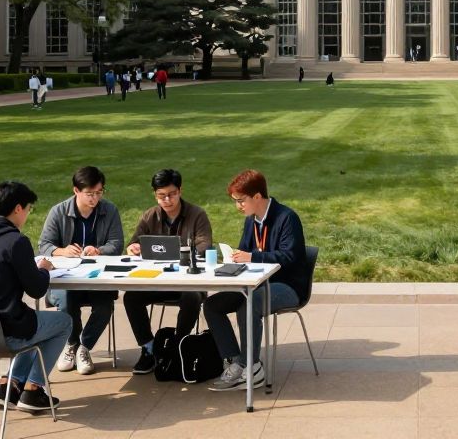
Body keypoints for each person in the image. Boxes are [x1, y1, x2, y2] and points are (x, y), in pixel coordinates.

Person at [0, 181, 71, 413]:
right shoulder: (16, 242)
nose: (28, 214)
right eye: (29, 209)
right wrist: (44, 269)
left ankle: (8, 386)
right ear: (18, 208)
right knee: (62, 322)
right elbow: (38, 290)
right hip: (3, 333)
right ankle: (33, 390)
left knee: (33, 322)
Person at [205, 170, 307, 391]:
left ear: (258, 197)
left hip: (288, 285)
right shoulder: (251, 221)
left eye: (241, 201)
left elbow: (290, 257)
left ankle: (251, 367)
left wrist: (252, 257)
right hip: (256, 283)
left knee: (248, 306)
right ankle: (235, 363)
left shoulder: (287, 218)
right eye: (236, 201)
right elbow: (247, 251)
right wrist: (235, 258)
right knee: (212, 305)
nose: (238, 206)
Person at [124, 169, 212, 374]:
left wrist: (178, 254)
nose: (167, 200)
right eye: (161, 195)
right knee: (131, 298)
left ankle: (178, 344)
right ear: (155, 195)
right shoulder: (150, 215)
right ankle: (148, 348)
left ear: (180, 191)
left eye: (171, 194)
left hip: (188, 282)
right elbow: (134, 243)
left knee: (192, 298)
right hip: (157, 281)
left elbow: (205, 245)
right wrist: (133, 248)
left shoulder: (197, 214)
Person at [38, 166, 123, 376]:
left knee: (105, 305)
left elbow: (117, 243)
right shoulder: (58, 211)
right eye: (89, 194)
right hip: (66, 277)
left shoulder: (109, 210)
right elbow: (44, 244)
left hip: (98, 276)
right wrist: (62, 250)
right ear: (76, 190)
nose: (94, 198)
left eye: (99, 192)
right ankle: (71, 344)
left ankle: (84, 346)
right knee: (67, 301)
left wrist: (99, 250)